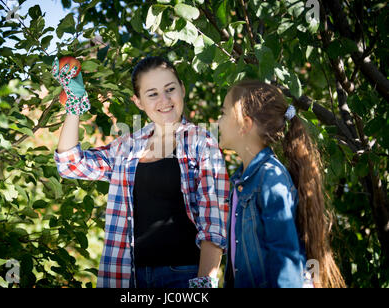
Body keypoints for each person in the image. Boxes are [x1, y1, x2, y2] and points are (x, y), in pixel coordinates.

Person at [51, 56, 229, 288]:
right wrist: (74, 105)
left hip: (184, 277)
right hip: (129, 277)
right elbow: (70, 164)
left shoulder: (201, 142)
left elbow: (214, 223)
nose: (164, 100)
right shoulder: (127, 146)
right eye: (152, 94)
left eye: (170, 89)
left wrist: (205, 284)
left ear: (182, 89)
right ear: (138, 102)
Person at [218, 80, 345, 288]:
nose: (218, 121)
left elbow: (285, 258)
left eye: (223, 113)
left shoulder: (270, 178)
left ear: (246, 124)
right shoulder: (241, 182)